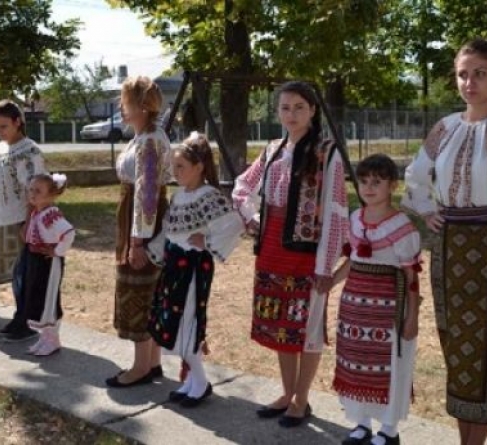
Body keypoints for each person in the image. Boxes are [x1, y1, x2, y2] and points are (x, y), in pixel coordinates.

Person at [402, 38, 487, 445]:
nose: (469, 82)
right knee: (457, 350)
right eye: (463, 74)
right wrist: (428, 209)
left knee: (485, 355)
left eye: (479, 73)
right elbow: (415, 175)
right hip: (450, 249)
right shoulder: (445, 127)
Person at [232, 80, 349, 427]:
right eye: (285, 107)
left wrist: (326, 264)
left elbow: (336, 211)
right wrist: (252, 218)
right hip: (272, 249)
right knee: (282, 326)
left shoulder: (328, 153)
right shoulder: (272, 150)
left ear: (313, 110)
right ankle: (286, 392)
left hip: (309, 254)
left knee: (307, 326)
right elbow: (242, 187)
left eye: (299, 107)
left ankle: (302, 398)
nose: (291, 114)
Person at [146, 132, 243, 406]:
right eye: (174, 167)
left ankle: (199, 381)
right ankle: (193, 380)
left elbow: (233, 225)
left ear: (199, 167)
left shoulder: (207, 195)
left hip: (192, 267)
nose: (175, 172)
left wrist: (207, 240)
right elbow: (169, 231)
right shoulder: (179, 196)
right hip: (175, 266)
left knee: (187, 321)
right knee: (173, 320)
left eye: (181, 167)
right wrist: (153, 251)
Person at [331, 154, 421, 445]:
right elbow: (352, 260)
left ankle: (389, 429)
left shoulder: (401, 226)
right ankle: (361, 423)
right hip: (355, 307)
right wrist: (329, 282)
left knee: (388, 366)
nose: (369, 187)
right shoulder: (355, 219)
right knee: (355, 361)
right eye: (364, 181)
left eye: (377, 182)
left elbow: (411, 276)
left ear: (392, 186)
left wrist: (412, 318)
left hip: (388, 309)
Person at [105, 75, 173, 388]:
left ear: (143, 106)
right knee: (151, 292)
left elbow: (146, 194)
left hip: (143, 220)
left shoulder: (148, 140)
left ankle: (141, 366)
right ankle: (153, 362)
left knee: (139, 290)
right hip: (138, 217)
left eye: (127, 102)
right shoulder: (145, 136)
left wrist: (138, 241)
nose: (122, 107)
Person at [0, 100, 47, 341]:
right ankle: (20, 316)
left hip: (20, 218)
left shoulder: (29, 151)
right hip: (1, 217)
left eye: (4, 126)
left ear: (18, 122)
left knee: (24, 272)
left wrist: (30, 222)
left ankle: (26, 320)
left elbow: (34, 190)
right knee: (14, 271)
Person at [19, 173, 76, 356]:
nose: (33, 194)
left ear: (51, 194)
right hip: (36, 260)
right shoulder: (38, 212)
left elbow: (68, 233)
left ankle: (53, 340)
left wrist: (56, 251)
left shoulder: (50, 215)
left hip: (48, 263)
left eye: (38, 191)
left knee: (49, 299)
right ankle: (44, 338)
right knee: (38, 297)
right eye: (31, 190)